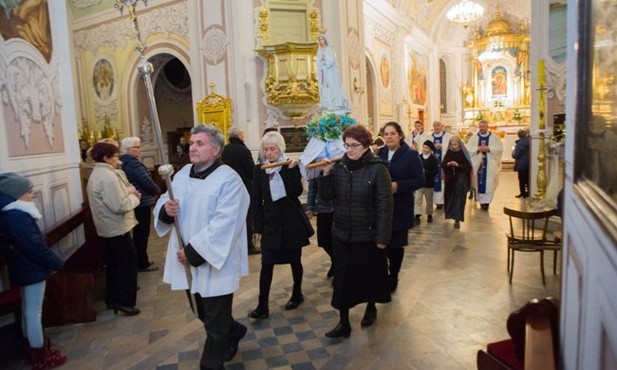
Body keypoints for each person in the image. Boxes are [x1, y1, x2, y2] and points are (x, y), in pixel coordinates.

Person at [153, 124, 250, 369]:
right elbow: (167, 198)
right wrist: (166, 209)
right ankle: (236, 330)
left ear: (216, 149)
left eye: (200, 143)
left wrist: (193, 252)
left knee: (215, 328)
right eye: (191, 143)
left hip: (214, 260)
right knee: (201, 312)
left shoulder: (229, 180)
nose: (192, 148)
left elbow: (225, 223)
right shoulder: (183, 173)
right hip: (186, 257)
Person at [319, 124, 393, 338]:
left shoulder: (378, 169)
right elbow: (327, 197)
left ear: (366, 145)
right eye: (347, 145)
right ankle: (343, 323)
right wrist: (326, 175)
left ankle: (371, 307)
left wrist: (382, 238)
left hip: (367, 235)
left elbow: (385, 206)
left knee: (368, 275)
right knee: (342, 280)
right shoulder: (340, 167)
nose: (349, 150)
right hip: (342, 233)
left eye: (354, 145)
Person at [0, 173, 67, 369]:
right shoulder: (17, 216)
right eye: (28, 191)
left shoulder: (12, 214)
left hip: (24, 268)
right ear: (16, 195)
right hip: (30, 269)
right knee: (33, 312)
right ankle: (40, 356)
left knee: (28, 310)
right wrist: (58, 263)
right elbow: (35, 247)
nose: (32, 194)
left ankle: (33, 349)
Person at [248, 131, 310, 320]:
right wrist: (256, 228)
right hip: (271, 224)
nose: (269, 152)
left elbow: (296, 192)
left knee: (294, 260)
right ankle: (262, 305)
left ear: (280, 149)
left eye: (272, 149)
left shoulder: (288, 166)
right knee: (266, 264)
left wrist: (293, 170)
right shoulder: (259, 170)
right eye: (266, 149)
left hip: (291, 222)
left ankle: (297, 294)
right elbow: (256, 200)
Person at [86, 141, 141, 316]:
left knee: (114, 264)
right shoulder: (107, 177)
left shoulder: (100, 173)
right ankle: (124, 302)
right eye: (115, 155)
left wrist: (128, 193)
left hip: (108, 227)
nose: (118, 158)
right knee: (128, 264)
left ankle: (113, 298)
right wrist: (136, 198)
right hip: (116, 227)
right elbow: (119, 205)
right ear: (106, 158)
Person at [377, 122, 423, 293]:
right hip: (381, 208)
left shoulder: (410, 156)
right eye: (386, 133)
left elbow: (420, 180)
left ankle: (393, 275)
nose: (389, 136)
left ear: (400, 136)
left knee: (395, 245)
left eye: (393, 133)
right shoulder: (379, 154)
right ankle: (382, 274)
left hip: (400, 206)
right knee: (382, 244)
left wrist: (398, 186)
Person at [120, 137, 161, 272]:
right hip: (141, 203)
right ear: (128, 149)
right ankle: (142, 263)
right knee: (142, 234)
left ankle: (140, 261)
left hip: (138, 202)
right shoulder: (133, 164)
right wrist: (157, 190)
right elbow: (146, 181)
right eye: (136, 147)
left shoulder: (125, 163)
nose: (139, 149)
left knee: (139, 234)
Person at [221, 127, 260, 255]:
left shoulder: (224, 150)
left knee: (231, 217)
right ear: (238, 135)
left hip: (228, 189)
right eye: (243, 134)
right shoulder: (243, 150)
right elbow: (251, 171)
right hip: (243, 188)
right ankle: (248, 245)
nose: (244, 136)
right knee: (246, 217)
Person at [466, 120, 504, 211]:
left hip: (490, 164)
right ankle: (482, 201)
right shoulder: (474, 138)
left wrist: (489, 149)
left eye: (483, 127)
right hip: (477, 165)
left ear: (487, 127)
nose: (482, 128)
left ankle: (486, 202)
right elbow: (468, 149)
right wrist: (477, 149)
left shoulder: (494, 137)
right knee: (478, 182)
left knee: (489, 183)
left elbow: (499, 149)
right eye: (480, 127)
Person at [306, 177, 334, 279]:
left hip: (340, 208)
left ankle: (339, 266)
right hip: (323, 208)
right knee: (324, 240)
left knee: (338, 240)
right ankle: (335, 260)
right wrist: (310, 206)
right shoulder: (316, 166)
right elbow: (313, 187)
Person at [442, 136, 473, 228]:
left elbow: (468, 166)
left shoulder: (463, 153)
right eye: (452, 145)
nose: (454, 147)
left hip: (461, 180)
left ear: (459, 144)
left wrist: (458, 165)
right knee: (450, 198)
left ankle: (457, 219)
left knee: (459, 199)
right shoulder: (449, 152)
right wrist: (448, 164)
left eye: (455, 145)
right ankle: (451, 215)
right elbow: (443, 164)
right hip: (450, 179)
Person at [316, 34, 350, 112]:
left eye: (322, 39)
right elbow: (317, 61)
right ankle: (326, 104)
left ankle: (334, 103)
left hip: (330, 72)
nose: (321, 41)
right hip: (323, 72)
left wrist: (325, 59)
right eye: (320, 40)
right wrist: (321, 60)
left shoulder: (329, 49)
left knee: (331, 86)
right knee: (324, 87)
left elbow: (331, 61)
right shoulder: (320, 50)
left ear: (325, 40)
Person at [414, 140, 439, 224]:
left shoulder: (433, 159)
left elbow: (435, 171)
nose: (424, 149)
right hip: (419, 183)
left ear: (431, 149)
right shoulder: (418, 157)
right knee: (417, 199)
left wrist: (426, 171)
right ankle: (417, 215)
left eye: (427, 148)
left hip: (429, 183)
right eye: (423, 147)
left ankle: (429, 214)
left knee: (429, 200)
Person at [429, 121, 452, 209]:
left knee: (444, 182)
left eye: (438, 125)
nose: (436, 127)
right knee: (434, 181)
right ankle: (438, 202)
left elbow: (454, 147)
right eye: (434, 125)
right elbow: (423, 148)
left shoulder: (449, 137)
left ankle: (444, 201)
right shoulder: (429, 137)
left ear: (442, 126)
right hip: (432, 164)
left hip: (445, 164)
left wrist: (443, 146)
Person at [512, 129, 530, 198]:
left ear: (518, 136)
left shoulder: (519, 144)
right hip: (528, 163)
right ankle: (528, 192)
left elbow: (515, 155)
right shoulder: (529, 142)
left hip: (521, 164)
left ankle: (522, 193)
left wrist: (513, 152)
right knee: (527, 179)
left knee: (521, 179)